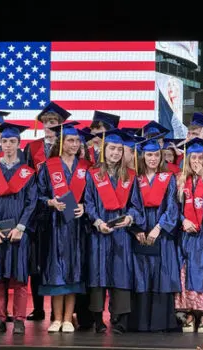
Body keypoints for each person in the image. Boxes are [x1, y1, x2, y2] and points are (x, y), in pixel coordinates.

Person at [37, 122, 90, 333]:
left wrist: (84, 206)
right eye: (70, 140)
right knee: (56, 271)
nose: (74, 144)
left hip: (76, 226)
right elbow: (38, 195)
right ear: (61, 142)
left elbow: (93, 197)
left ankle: (69, 319)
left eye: (77, 140)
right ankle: (57, 318)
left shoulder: (85, 167)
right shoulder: (49, 166)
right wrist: (51, 202)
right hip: (55, 226)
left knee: (74, 270)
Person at [0, 123, 37, 334]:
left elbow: (31, 202)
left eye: (12, 142)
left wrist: (21, 227)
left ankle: (18, 320)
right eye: (4, 141)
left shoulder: (27, 173)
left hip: (19, 231)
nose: (8, 145)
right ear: (0, 144)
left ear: (19, 143)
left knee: (19, 276)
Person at [84, 129, 136, 334]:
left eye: (118, 149)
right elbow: (88, 202)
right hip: (100, 232)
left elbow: (135, 204)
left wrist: (130, 217)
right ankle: (98, 319)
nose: (115, 153)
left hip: (121, 233)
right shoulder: (92, 175)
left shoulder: (130, 176)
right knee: (99, 273)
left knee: (121, 273)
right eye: (111, 148)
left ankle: (120, 319)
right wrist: (97, 222)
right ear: (104, 150)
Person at [128, 136, 181, 332]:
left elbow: (172, 208)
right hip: (142, 233)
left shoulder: (168, 179)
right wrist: (137, 229)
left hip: (162, 234)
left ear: (161, 157)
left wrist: (159, 228)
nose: (152, 158)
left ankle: (161, 323)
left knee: (162, 275)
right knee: (142, 275)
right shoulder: (136, 179)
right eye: (149, 154)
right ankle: (141, 323)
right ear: (143, 156)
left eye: (156, 155)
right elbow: (132, 205)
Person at [24, 102, 71, 323]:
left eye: (55, 123)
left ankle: (60, 313)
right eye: (47, 122)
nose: (50, 126)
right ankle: (38, 308)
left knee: (61, 261)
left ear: (61, 125)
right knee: (37, 263)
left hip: (63, 212)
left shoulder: (67, 149)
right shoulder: (31, 148)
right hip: (39, 211)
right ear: (42, 124)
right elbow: (26, 178)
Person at [175, 138, 203, 333]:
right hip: (186, 233)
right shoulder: (181, 180)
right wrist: (183, 220)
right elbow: (174, 207)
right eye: (193, 158)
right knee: (187, 272)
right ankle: (190, 313)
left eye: (200, 158)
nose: (196, 161)